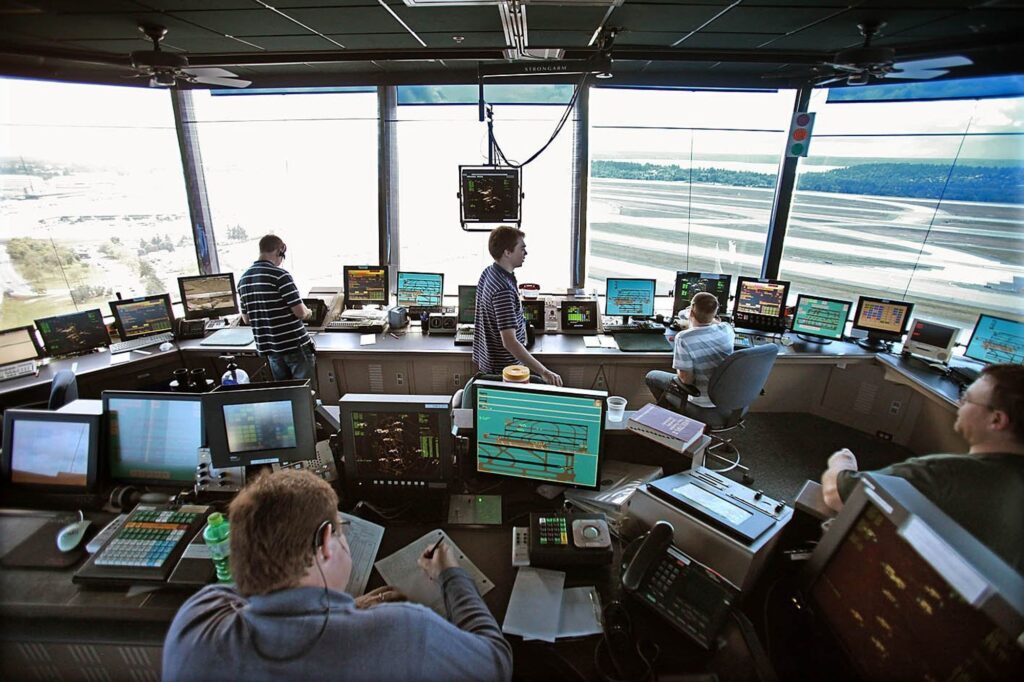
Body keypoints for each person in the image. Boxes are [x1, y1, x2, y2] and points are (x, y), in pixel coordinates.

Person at [162, 469, 512, 681]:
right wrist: (451, 573)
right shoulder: (402, 631)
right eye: (342, 529)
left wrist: (350, 610)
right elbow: (496, 663)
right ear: (327, 543)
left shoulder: (194, 623)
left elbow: (258, 603)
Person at [821, 363, 1024, 573]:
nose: (958, 402)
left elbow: (836, 494)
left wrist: (842, 462)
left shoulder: (944, 474)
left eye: (967, 399)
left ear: (996, 419)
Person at [472, 225, 562, 386]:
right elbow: (510, 342)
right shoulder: (503, 289)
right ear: (507, 252)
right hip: (505, 371)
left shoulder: (489, 272)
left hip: (488, 361)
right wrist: (544, 372)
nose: (525, 253)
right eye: (522, 248)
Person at [237, 235, 315, 382]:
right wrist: (309, 312)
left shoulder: (244, 280)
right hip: (293, 345)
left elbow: (246, 319)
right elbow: (300, 312)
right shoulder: (280, 275)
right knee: (304, 392)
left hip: (271, 349)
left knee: (285, 395)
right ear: (280, 250)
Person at [645, 291, 734, 409]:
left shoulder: (684, 338)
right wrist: (703, 316)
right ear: (715, 313)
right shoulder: (727, 328)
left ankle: (674, 414)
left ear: (691, 312)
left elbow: (686, 380)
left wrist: (678, 368)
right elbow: (715, 323)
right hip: (725, 398)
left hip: (699, 400)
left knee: (651, 377)